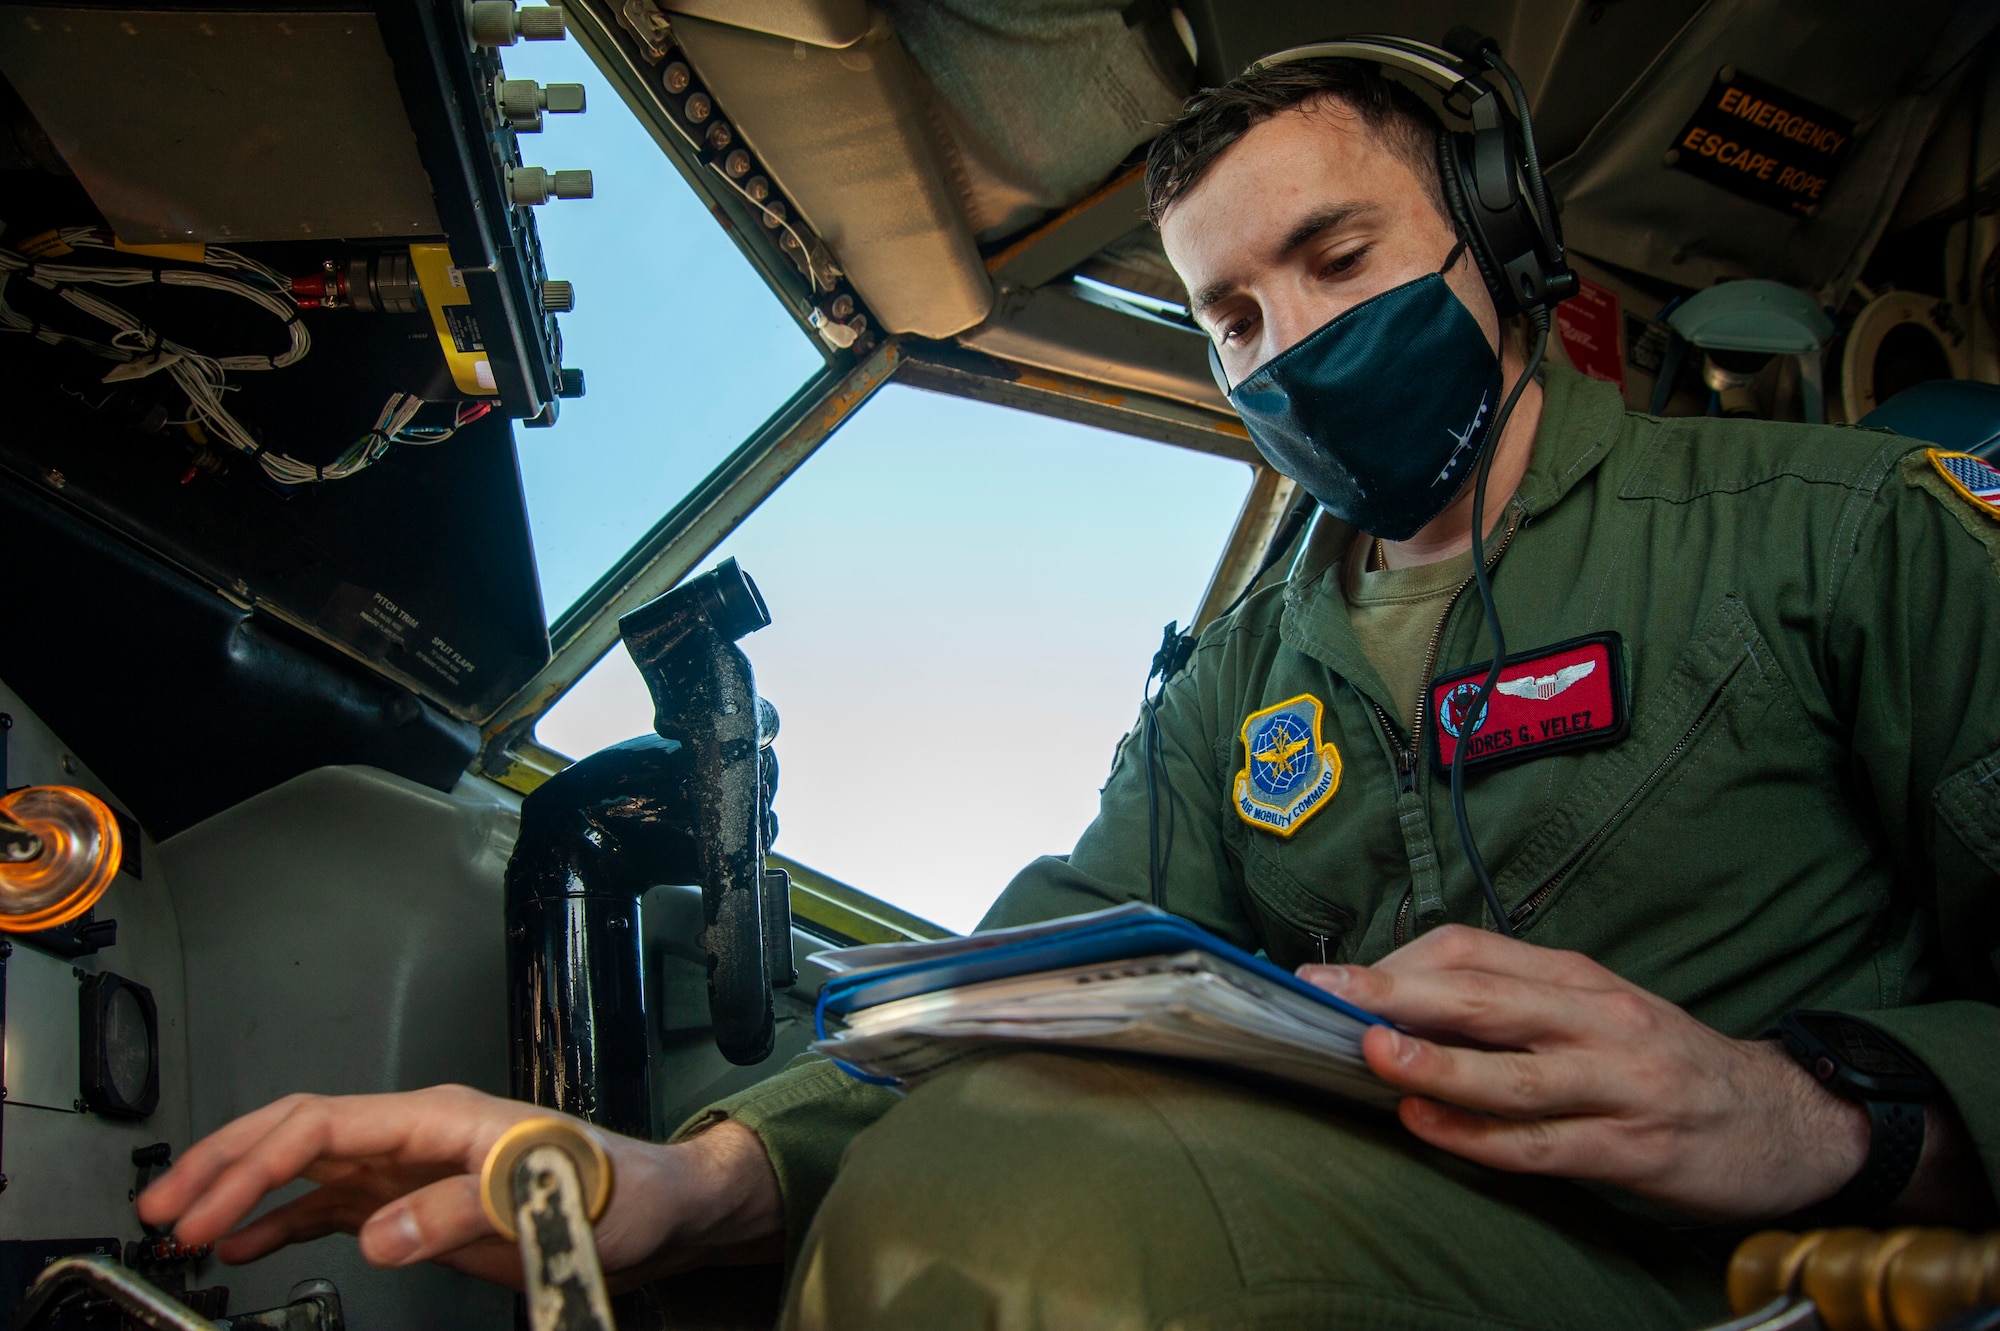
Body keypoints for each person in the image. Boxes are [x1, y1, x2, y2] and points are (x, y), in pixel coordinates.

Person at [139, 55, 1998, 1330]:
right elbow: (1019, 999)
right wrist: (684, 1184)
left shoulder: (1835, 533)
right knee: (979, 1153)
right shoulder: (1240, 683)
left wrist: (1822, 1116)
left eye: (1338, 260)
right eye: (1234, 319)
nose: (1287, 344)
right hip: (1387, 1242)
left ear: (1503, 247)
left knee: (1023, 1221)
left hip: (1772, 1270)